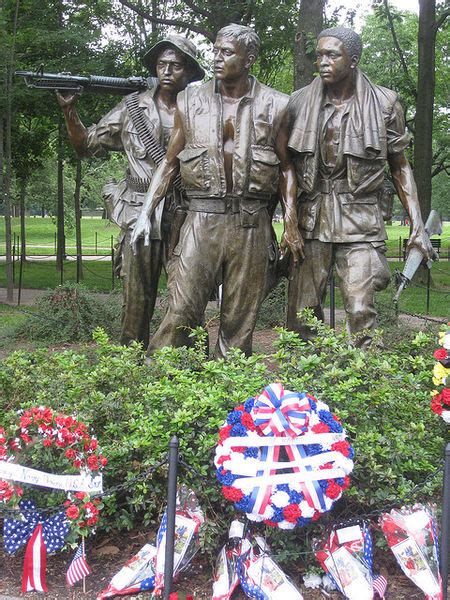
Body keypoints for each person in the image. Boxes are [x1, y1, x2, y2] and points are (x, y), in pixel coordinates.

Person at [131, 23, 303, 358]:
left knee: (239, 323)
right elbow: (169, 163)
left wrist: (291, 223)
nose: (217, 58)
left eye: (226, 52)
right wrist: (145, 213)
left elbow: (285, 167)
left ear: (249, 58)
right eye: (215, 51)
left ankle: (230, 399)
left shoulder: (277, 104)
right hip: (201, 219)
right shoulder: (189, 100)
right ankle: (164, 389)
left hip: (251, 223)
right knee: (180, 311)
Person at [281, 26, 435, 348]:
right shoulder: (297, 103)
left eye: (331, 55)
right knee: (302, 313)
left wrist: (417, 225)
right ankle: (302, 387)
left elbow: (400, 166)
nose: (322, 62)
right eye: (319, 55)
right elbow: (285, 168)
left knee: (361, 309)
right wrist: (289, 221)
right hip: (312, 218)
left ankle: (364, 385)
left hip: (360, 218)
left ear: (353, 60)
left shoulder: (384, 103)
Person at [56, 36, 204, 347]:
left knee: (187, 296)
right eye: (161, 64)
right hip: (138, 212)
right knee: (136, 300)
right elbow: (85, 145)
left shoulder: (201, 110)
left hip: (184, 213)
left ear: (188, 72)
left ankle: (190, 365)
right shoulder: (132, 107)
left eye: (175, 66)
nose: (166, 71)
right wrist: (70, 112)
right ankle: (131, 364)